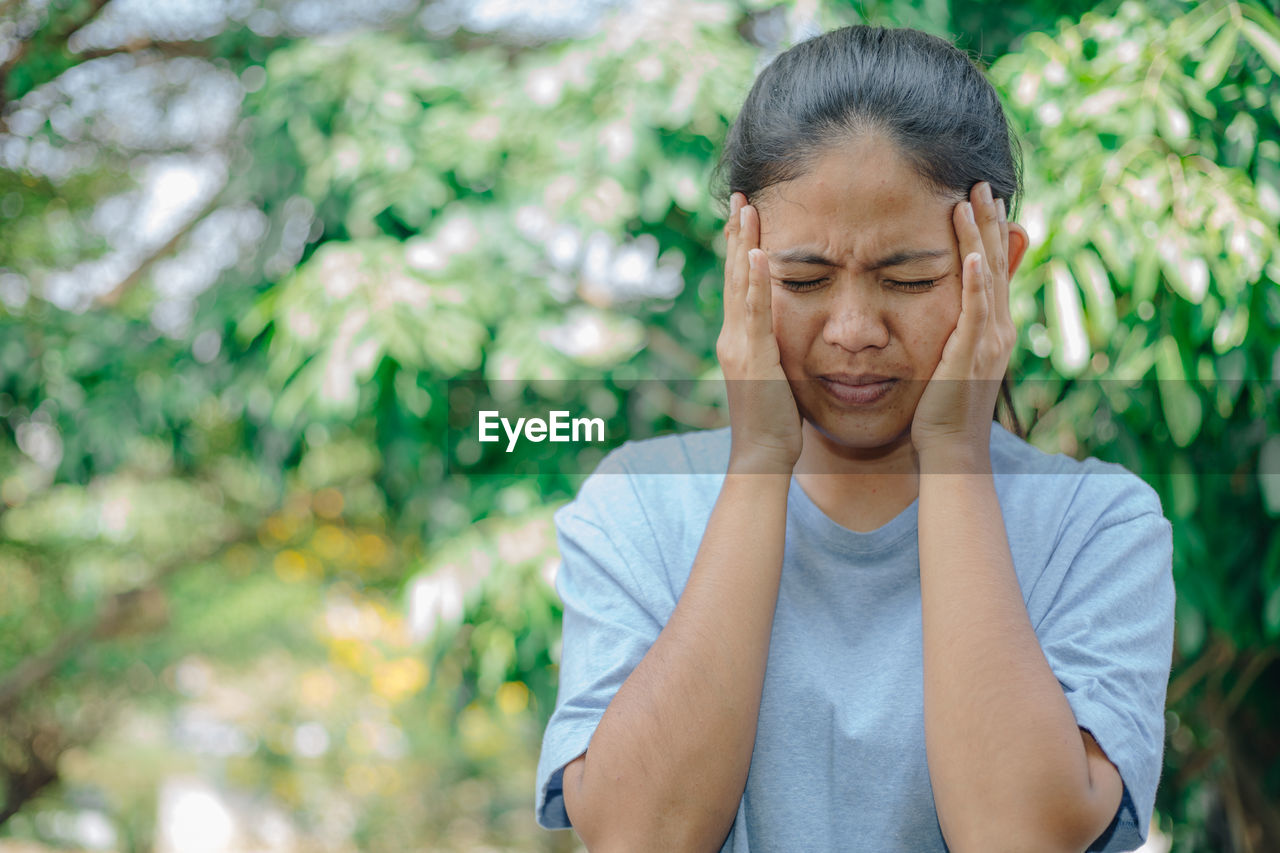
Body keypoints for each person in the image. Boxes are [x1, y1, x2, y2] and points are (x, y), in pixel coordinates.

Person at [534, 24, 1175, 853]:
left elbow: (1016, 836)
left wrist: (954, 458)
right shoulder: (635, 509)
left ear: (998, 265)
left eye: (907, 280)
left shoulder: (1097, 526)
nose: (853, 329)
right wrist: (760, 462)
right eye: (803, 280)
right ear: (742, 263)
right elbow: (639, 836)